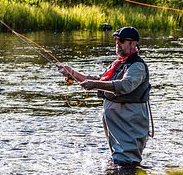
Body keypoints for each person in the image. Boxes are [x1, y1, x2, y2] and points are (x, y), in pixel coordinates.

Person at [57, 26, 151, 166]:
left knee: (127, 163)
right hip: (116, 122)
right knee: (118, 161)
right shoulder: (118, 64)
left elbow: (124, 85)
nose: (118, 43)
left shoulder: (137, 66)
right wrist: (72, 73)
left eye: (122, 40)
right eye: (116, 40)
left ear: (134, 43)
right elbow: (100, 81)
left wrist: (94, 85)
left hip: (129, 121)